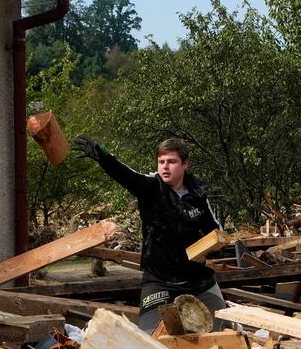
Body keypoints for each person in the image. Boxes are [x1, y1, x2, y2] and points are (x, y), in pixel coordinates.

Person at [73, 135, 228, 332]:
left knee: (224, 332)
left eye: (171, 162)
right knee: (149, 338)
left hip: (199, 281)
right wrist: (103, 156)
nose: (165, 167)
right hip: (159, 282)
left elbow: (216, 231)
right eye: (161, 161)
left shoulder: (198, 194)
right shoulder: (151, 188)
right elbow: (126, 174)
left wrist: (213, 249)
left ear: (185, 164)